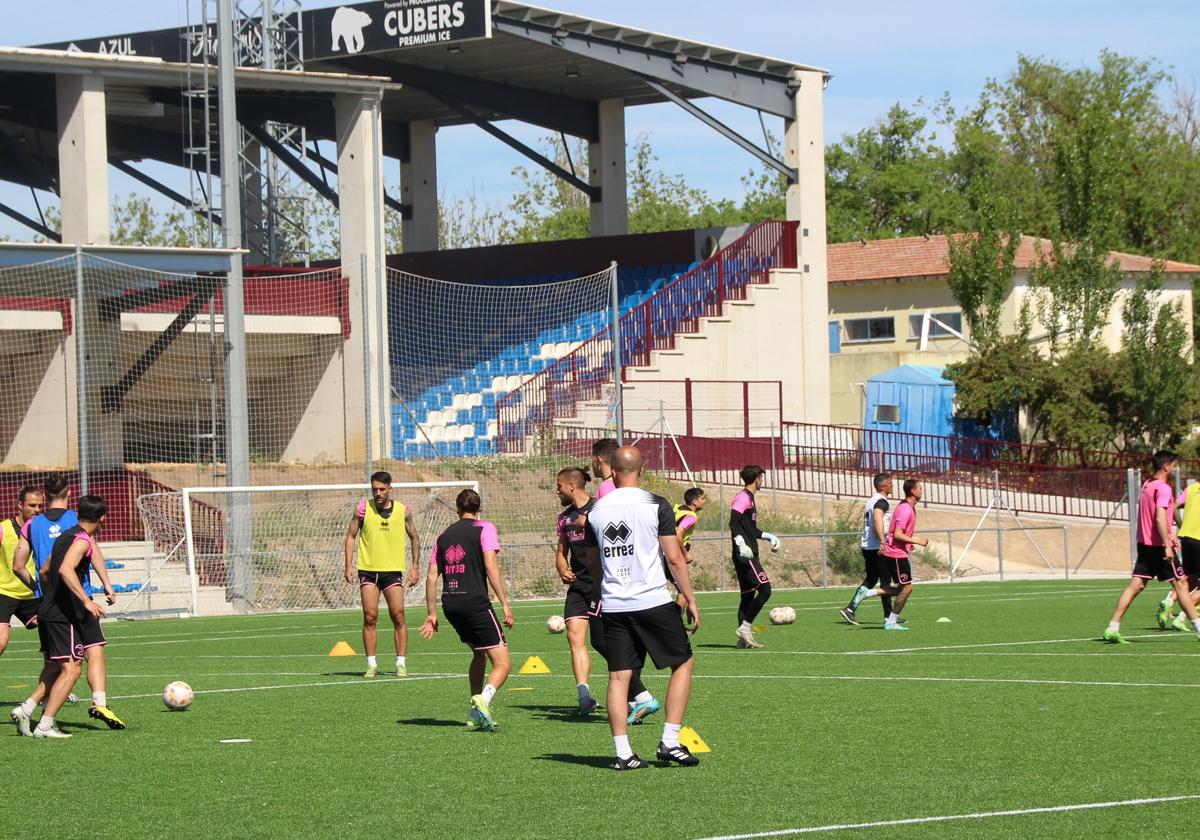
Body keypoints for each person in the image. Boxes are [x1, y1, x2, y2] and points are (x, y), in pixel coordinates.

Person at [585, 446, 701, 770]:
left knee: (619, 678)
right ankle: (670, 741)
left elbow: (592, 564)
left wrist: (604, 590)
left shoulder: (595, 511)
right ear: (642, 469)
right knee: (684, 664)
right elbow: (674, 557)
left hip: (614, 604)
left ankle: (623, 753)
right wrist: (689, 597)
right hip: (652, 600)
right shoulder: (656, 504)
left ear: (612, 470)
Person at [11, 474, 122, 732]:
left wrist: (43, 591)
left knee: (64, 660)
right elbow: (68, 567)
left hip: (50, 601)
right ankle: (48, 719)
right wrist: (96, 589)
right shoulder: (78, 528)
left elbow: (31, 568)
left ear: (45, 495)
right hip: (73, 604)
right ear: (70, 493)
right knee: (72, 665)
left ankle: (30, 709)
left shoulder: (33, 524)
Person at [554, 466, 659, 720]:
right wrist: (563, 568)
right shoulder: (564, 519)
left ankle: (641, 695)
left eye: (558, 486)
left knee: (603, 642)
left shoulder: (601, 509)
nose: (556, 491)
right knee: (576, 637)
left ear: (571, 486)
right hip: (578, 587)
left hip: (601, 584)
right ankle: (584, 696)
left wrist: (589, 523)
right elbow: (560, 552)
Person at [420, 489, 514, 731]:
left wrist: (432, 614)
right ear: (479, 508)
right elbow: (490, 566)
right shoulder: (484, 528)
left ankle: (475, 713)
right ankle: (484, 699)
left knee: (479, 654)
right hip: (475, 603)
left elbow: (431, 577)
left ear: (457, 508)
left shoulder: (443, 536)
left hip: (451, 604)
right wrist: (504, 602)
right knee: (503, 664)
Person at [29, 494, 109, 738]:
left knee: (63, 667)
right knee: (71, 669)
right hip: (64, 613)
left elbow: (45, 569)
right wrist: (85, 600)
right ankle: (43, 724)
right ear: (103, 519)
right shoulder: (82, 541)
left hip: (52, 609)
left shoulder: (67, 535)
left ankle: (34, 714)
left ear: (77, 514)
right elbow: (65, 569)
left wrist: (50, 594)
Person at [1104, 451, 1200, 644]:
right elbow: (1159, 517)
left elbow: (1161, 513)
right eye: (1174, 465)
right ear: (1166, 466)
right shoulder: (1164, 488)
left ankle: (1112, 627)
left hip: (1144, 543)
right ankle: (1198, 627)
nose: (1175, 469)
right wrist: (1167, 544)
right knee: (1181, 583)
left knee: (1136, 585)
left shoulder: (1147, 484)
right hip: (1158, 545)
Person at [345, 471, 421, 677]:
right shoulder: (362, 509)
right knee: (370, 617)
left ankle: (401, 663)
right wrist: (348, 565)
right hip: (368, 571)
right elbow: (351, 536)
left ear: (389, 488)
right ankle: (371, 664)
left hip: (392, 572)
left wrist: (415, 566)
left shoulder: (402, 510)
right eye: (374, 489)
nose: (378, 493)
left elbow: (414, 537)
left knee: (398, 616)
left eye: (381, 489)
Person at [729, 465, 780, 648]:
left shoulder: (749, 498)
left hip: (749, 551)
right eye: (761, 477)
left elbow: (749, 528)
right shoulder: (743, 498)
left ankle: (743, 640)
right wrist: (741, 544)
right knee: (765, 589)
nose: (762, 481)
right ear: (757, 478)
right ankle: (745, 628)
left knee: (747, 597)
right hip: (745, 554)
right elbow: (733, 523)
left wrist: (768, 536)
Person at [841, 473, 895, 625]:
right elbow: (878, 520)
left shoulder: (871, 500)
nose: (892, 485)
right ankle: (889, 617)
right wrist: (883, 542)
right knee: (885, 581)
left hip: (867, 545)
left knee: (871, 579)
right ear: (883, 486)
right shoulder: (881, 502)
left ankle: (850, 609)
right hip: (876, 546)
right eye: (890, 483)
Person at [0, 486, 44, 658]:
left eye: (40, 506)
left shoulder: (41, 529)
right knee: (1, 641)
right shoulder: (3, 529)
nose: (37, 510)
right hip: (4, 592)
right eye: (32, 505)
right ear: (19, 505)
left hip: (31, 593)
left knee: (56, 624)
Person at [879, 479, 928, 631]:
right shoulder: (906, 509)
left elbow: (897, 533)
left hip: (898, 552)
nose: (922, 490)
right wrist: (917, 541)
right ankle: (890, 621)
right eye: (920, 488)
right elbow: (898, 534)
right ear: (913, 491)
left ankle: (867, 593)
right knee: (906, 589)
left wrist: (908, 543)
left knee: (904, 588)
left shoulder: (907, 507)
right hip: (896, 554)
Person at [1155, 478, 1200, 631]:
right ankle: (1182, 617)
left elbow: (1173, 506)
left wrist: (1180, 524)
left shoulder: (1192, 488)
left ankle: (1169, 601)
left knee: (1190, 580)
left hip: (1186, 538)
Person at [672, 488, 706, 615]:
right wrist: (685, 553)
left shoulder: (678, 508)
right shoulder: (691, 516)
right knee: (684, 591)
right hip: (672, 555)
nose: (704, 501)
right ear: (694, 502)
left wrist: (685, 543)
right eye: (702, 498)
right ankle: (675, 623)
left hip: (661, 550)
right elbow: (677, 533)